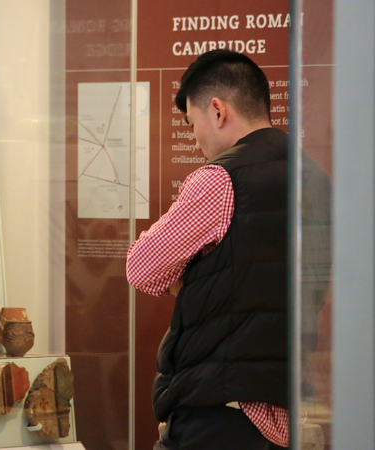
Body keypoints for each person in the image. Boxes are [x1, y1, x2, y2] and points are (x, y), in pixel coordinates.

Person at [127, 50, 309, 449]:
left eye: (193, 124)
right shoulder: (313, 175)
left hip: (218, 411)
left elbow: (142, 266)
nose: (196, 141)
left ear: (217, 110)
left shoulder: (220, 180)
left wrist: (194, 281)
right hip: (283, 415)